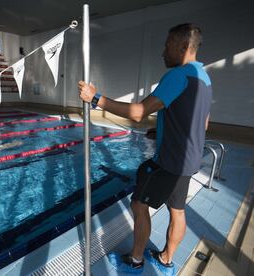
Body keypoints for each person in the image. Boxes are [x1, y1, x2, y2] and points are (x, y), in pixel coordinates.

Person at [78, 23, 211, 275]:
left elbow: (139, 112)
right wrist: (165, 130)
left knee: (139, 205)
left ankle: (135, 261)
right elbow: (203, 122)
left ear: (183, 46)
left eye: (167, 45)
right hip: (191, 160)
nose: (163, 52)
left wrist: (96, 98)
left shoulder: (178, 75)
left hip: (170, 161)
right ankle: (166, 260)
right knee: (178, 211)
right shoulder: (204, 77)